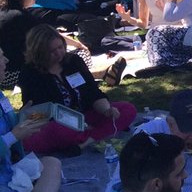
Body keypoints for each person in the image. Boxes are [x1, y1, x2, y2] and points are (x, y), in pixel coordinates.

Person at [16, 24, 137, 155]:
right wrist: (77, 124)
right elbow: (37, 112)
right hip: (56, 124)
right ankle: (95, 134)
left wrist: (107, 110)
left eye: (60, 47)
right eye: (51, 51)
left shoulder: (73, 61)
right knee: (59, 132)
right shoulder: (30, 74)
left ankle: (84, 142)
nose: (58, 54)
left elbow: (93, 92)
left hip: (85, 115)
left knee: (127, 109)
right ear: (39, 52)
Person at [0, 49, 62, 192]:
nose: (6, 59)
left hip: (8, 167)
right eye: (1, 56)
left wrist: (23, 118)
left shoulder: (1, 96)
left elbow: (9, 129)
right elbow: (11, 136)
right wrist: (14, 136)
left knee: (51, 163)